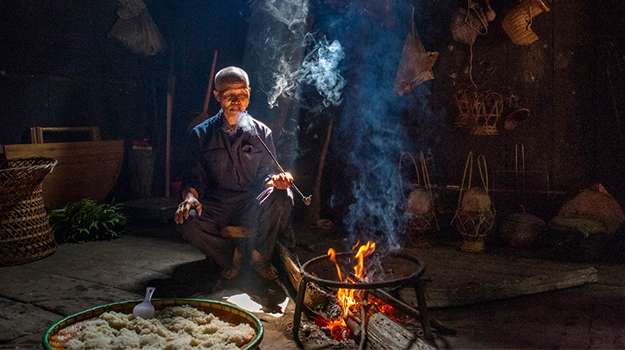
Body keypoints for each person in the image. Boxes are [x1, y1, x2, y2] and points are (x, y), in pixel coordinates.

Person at [175, 66, 294, 280]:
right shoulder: (201, 134)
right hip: (217, 205)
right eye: (230, 96)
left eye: (242, 95)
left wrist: (275, 181)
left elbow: (267, 176)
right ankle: (231, 256)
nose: (237, 102)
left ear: (248, 94)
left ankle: (259, 256)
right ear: (217, 96)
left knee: (283, 196)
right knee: (187, 219)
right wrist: (190, 198)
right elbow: (194, 178)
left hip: (251, 204)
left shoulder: (261, 132)